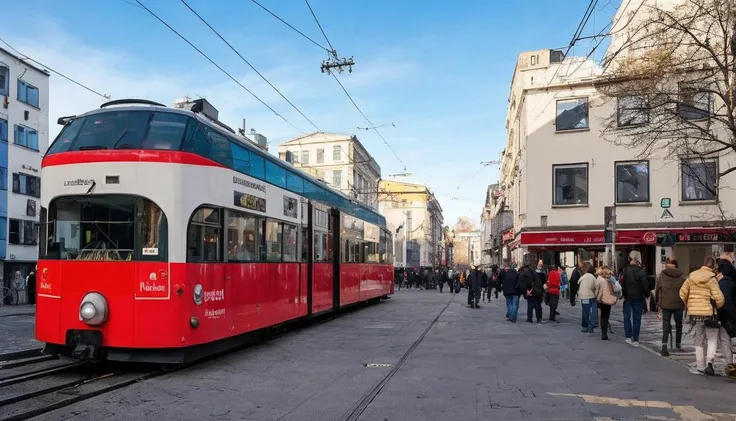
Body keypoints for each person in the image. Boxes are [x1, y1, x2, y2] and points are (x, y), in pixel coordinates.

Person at [679, 256, 725, 376]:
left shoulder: (691, 276)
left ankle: (700, 365)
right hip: (710, 313)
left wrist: (689, 305)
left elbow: (682, 293)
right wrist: (716, 307)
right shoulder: (712, 279)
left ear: (703, 263)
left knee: (699, 339)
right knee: (712, 338)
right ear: (714, 266)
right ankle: (709, 362)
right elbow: (719, 297)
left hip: (695, 314)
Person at [655, 258, 686, 356]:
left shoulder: (661, 275)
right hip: (678, 303)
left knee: (665, 324)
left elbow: (657, 290)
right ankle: (678, 343)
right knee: (679, 324)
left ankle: (664, 345)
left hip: (665, 303)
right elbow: (685, 290)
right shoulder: (682, 276)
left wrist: (657, 302)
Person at [621, 250, 650, 346]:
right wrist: (647, 294)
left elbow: (623, 284)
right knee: (637, 318)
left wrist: (624, 295)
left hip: (628, 297)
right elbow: (644, 285)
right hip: (638, 297)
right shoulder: (641, 271)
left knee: (627, 317)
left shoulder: (625, 270)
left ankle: (628, 336)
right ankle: (636, 338)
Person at [716, 254, 736, 378]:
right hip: (731, 314)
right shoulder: (733, 281)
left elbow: (726, 301)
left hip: (727, 316)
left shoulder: (723, 283)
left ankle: (730, 364)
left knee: (725, 340)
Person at [596, 265, 617, 340]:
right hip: (608, 299)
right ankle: (605, 332)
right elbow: (614, 288)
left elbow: (597, 289)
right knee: (606, 316)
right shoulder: (610, 279)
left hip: (601, 299)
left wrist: (596, 296)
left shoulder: (599, 279)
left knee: (602, 316)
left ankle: (603, 332)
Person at [578, 262, 599, 333]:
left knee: (585, 312)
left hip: (583, 297)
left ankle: (584, 326)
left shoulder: (582, 277)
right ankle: (591, 326)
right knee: (593, 312)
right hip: (591, 296)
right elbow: (595, 286)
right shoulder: (591, 277)